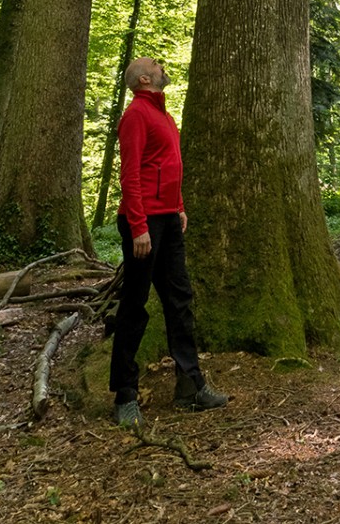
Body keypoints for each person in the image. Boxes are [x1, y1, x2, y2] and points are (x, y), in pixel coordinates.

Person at [109, 56, 228, 428]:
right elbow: (130, 174)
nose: (162, 66)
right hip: (142, 224)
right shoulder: (135, 116)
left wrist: (178, 207)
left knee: (179, 299)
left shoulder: (164, 116)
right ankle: (125, 396)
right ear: (144, 78)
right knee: (134, 304)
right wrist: (139, 225)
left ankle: (190, 386)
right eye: (156, 65)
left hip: (169, 221)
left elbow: (168, 165)